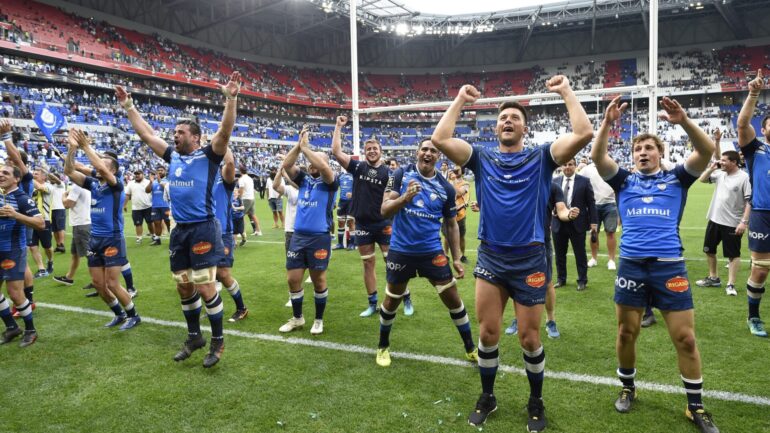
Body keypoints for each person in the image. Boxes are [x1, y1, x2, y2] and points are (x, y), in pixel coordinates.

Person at [432, 77, 594, 431]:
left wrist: (566, 90)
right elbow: (440, 139)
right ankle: (488, 396)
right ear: (496, 127)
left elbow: (583, 133)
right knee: (488, 334)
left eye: (514, 118)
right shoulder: (481, 158)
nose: (507, 121)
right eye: (502, 117)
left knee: (529, 338)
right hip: (491, 259)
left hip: (530, 260)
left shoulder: (542, 158)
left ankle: (535, 401)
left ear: (524, 127)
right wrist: (460, 99)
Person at [592, 95, 719, 433]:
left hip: (669, 267)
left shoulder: (678, 178)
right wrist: (607, 123)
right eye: (638, 149)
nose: (643, 153)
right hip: (632, 267)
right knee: (626, 333)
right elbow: (597, 156)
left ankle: (695, 406)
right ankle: (628, 387)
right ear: (632, 156)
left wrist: (685, 122)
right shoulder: (623, 181)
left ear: (661, 153)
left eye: (650, 148)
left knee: (686, 339)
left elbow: (706, 152)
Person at [115, 70, 242, 367]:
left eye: (181, 132)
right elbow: (146, 134)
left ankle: (218, 341)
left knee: (206, 286)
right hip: (180, 230)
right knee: (183, 285)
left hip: (203, 228)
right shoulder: (172, 157)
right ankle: (194, 336)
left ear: (195, 138)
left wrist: (232, 99)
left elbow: (225, 131)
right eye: (174, 132)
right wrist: (129, 106)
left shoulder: (209, 156)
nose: (175, 135)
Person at [375, 139, 477, 367]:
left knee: (453, 300)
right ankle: (383, 346)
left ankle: (471, 348)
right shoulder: (400, 175)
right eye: (424, 149)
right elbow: (384, 209)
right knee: (392, 301)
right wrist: (404, 198)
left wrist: (458, 258)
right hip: (401, 251)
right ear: (417, 152)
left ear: (439, 156)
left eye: (433, 150)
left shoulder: (447, 188)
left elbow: (451, 224)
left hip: (432, 252)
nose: (428, 153)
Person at [332, 116, 414, 317]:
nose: (371, 151)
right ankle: (372, 303)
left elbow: (398, 199)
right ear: (365, 152)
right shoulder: (358, 167)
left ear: (381, 151)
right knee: (368, 263)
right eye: (368, 149)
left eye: (374, 148)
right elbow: (336, 152)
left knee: (392, 263)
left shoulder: (390, 173)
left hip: (384, 223)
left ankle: (406, 297)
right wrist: (338, 126)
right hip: (362, 224)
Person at [64, 129, 142, 331]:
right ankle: (118, 314)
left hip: (113, 239)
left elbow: (100, 167)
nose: (96, 167)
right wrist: (72, 149)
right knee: (99, 284)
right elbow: (69, 171)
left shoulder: (117, 185)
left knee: (113, 283)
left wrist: (85, 146)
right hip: (94, 239)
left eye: (104, 165)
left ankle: (133, 315)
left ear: (113, 171)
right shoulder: (93, 184)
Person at [277, 127, 338, 335]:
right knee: (293, 279)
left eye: (316, 161)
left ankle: (319, 320)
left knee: (319, 279)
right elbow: (286, 165)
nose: (311, 164)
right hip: (298, 236)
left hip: (319, 238)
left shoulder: (330, 181)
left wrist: (307, 149)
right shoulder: (303, 180)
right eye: (310, 161)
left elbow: (321, 165)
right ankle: (297, 318)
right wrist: (298, 145)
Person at [505, 182, 580, 339]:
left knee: (546, 282)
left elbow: (561, 210)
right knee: (518, 282)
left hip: (541, 242)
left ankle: (550, 321)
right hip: (517, 241)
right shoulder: (519, 184)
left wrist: (569, 214)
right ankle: (518, 319)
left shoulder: (552, 187)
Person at [695, 128, 751, 296]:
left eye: (725, 161)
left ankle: (731, 284)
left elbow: (749, 201)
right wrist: (712, 167)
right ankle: (714, 278)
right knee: (709, 250)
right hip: (714, 219)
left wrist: (743, 222)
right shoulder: (720, 174)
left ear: (734, 162)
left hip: (732, 223)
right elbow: (702, 179)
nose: (721, 163)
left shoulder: (744, 178)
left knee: (733, 255)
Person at [737, 69, 770, 337]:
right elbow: (741, 124)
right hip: (763, 214)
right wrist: (754, 93)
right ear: (764, 128)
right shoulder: (756, 149)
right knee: (760, 271)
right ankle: (753, 317)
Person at [0, 162, 46, 347]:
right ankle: (12, 327)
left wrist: (16, 215)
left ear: (16, 178)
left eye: (6, 173)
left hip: (13, 251)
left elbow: (40, 223)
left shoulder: (21, 198)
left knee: (15, 294)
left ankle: (30, 330)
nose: (1, 175)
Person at [213, 149, 249, 322]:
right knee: (207, 274)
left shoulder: (224, 184)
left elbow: (230, 164)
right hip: (204, 233)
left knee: (223, 274)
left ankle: (241, 308)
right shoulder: (204, 183)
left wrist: (223, 142)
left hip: (223, 234)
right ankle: (214, 307)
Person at [552, 158, 597, 291]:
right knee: (559, 253)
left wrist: (593, 222)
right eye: (565, 164)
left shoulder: (584, 181)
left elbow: (591, 203)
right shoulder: (554, 181)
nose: (567, 167)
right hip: (558, 223)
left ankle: (582, 280)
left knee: (580, 253)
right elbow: (549, 202)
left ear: (575, 166)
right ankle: (561, 279)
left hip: (578, 223)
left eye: (570, 164)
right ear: (561, 166)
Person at [579, 161, 619, 270]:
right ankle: (593, 258)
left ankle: (611, 260)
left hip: (610, 204)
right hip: (593, 204)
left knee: (610, 232)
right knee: (593, 232)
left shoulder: (611, 165)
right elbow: (579, 180)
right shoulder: (587, 169)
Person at [52, 182, 91, 286]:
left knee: (90, 255)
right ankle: (69, 277)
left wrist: (64, 195)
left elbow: (67, 204)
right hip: (81, 224)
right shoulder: (85, 185)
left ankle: (99, 280)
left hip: (81, 225)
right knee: (75, 254)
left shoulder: (77, 186)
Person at [30, 167, 54, 277]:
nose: (34, 175)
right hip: (31, 220)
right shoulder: (31, 188)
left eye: (36, 174)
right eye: (33, 174)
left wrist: (28, 176)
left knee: (47, 246)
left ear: (44, 177)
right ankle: (41, 269)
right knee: (32, 245)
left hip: (44, 220)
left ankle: (50, 261)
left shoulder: (48, 186)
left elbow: (40, 187)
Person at [443, 167, 470, 262]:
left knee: (461, 236)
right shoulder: (447, 182)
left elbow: (458, 193)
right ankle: (446, 255)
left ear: (462, 172)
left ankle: (462, 255)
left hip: (460, 214)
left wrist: (453, 181)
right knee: (446, 236)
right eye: (453, 170)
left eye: (457, 170)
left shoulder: (465, 184)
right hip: (448, 213)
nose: (454, 171)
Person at [125, 170, 152, 245]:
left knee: (150, 222)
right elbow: (127, 194)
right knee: (138, 224)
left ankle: (153, 235)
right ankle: (139, 238)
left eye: (138, 174)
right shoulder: (130, 183)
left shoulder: (148, 182)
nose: (136, 175)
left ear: (142, 174)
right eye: (135, 174)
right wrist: (125, 204)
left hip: (148, 206)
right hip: (136, 208)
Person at [146, 166, 171, 245]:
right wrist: (150, 182)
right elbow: (147, 190)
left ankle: (173, 238)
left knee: (168, 222)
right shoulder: (153, 181)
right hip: (155, 206)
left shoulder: (168, 180)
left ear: (165, 171)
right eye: (158, 170)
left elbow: (166, 189)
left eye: (161, 170)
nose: (160, 172)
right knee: (157, 223)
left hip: (166, 205)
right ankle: (157, 240)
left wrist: (159, 180)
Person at [334, 168, 355, 250]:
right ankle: (340, 244)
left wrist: (353, 194)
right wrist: (334, 201)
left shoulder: (355, 175)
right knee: (340, 222)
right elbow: (335, 188)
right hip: (342, 202)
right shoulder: (340, 176)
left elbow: (360, 188)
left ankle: (352, 244)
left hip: (352, 202)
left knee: (350, 222)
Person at [239, 166, 263, 235]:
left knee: (241, 215)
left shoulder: (242, 179)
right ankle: (258, 231)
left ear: (240, 171)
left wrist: (239, 198)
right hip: (252, 198)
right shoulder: (250, 178)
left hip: (245, 198)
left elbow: (241, 189)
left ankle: (242, 232)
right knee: (253, 215)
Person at [49, 172, 67, 253]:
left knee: (60, 227)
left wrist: (49, 174)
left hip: (60, 208)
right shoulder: (49, 186)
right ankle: (58, 245)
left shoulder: (61, 184)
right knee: (54, 229)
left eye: (53, 178)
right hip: (51, 210)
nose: (51, 179)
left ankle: (62, 244)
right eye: (50, 178)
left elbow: (57, 180)